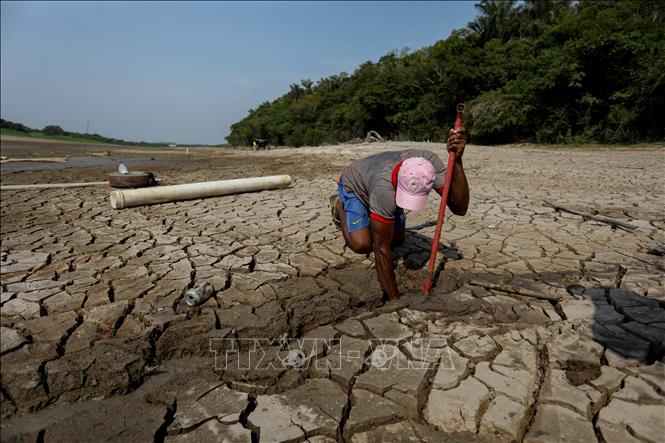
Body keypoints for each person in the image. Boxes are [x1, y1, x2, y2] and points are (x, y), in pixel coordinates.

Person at [331, 128, 469, 300]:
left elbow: (459, 208)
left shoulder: (429, 165)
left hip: (378, 185)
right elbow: (380, 249)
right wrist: (395, 300)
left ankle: (374, 212)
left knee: (397, 240)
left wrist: (457, 160)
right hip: (355, 183)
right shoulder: (384, 189)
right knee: (362, 245)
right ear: (398, 182)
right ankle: (339, 205)